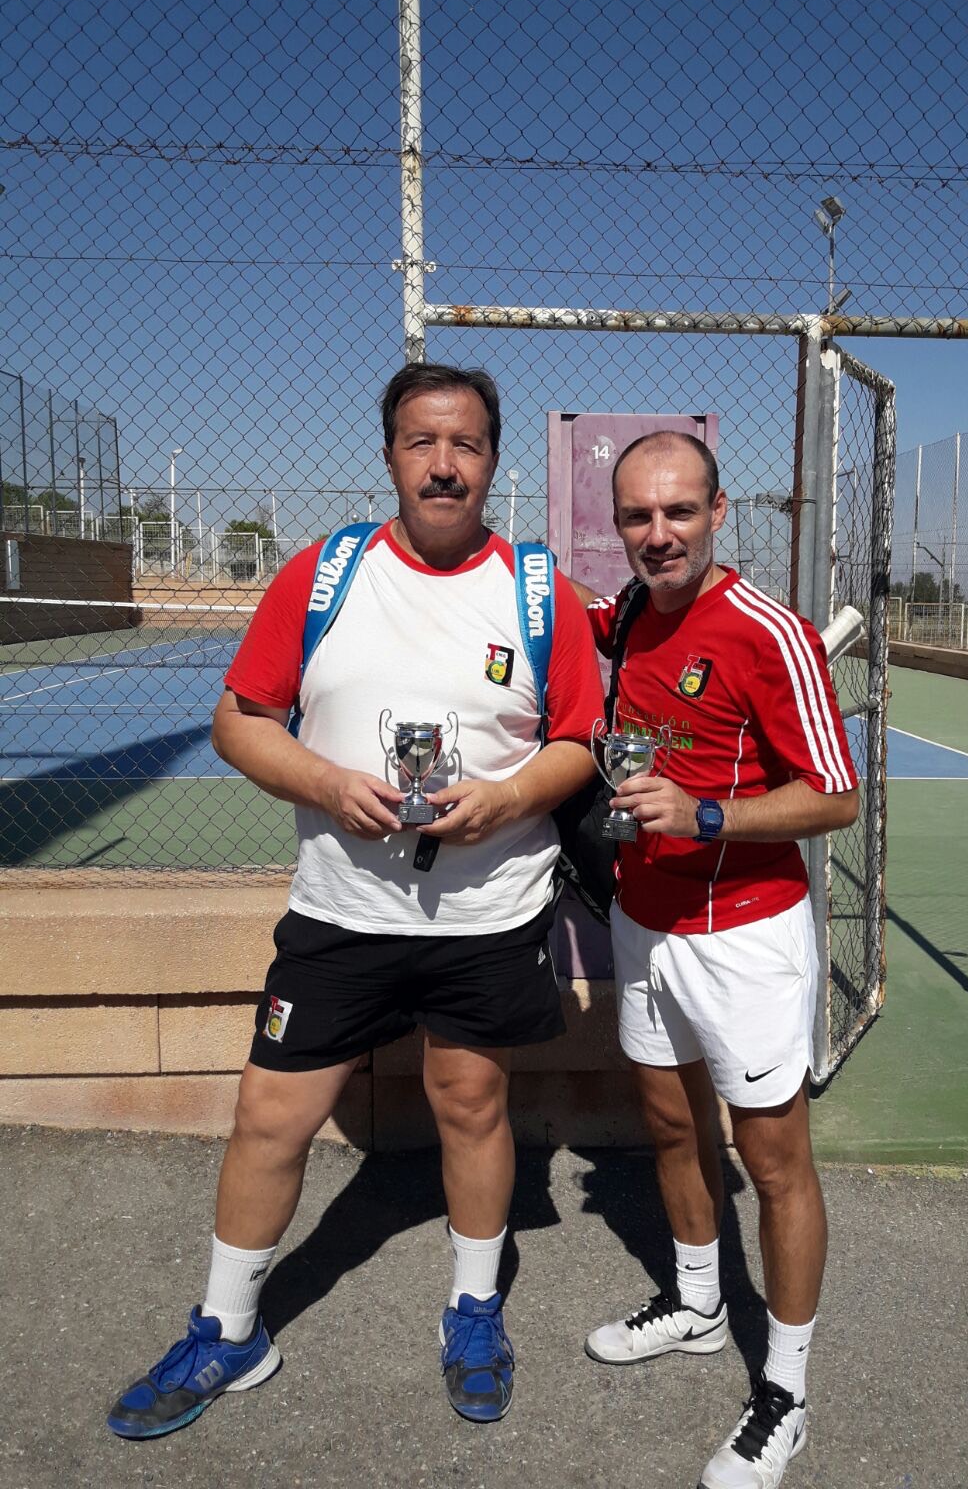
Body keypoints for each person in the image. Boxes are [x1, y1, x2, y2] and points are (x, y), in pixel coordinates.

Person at [107, 362, 603, 1439]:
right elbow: (240, 720)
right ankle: (229, 1329)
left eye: (465, 444)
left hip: (486, 916)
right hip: (341, 913)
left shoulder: (537, 591)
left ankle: (475, 1312)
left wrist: (509, 798)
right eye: (423, 441)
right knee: (270, 1115)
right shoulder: (323, 574)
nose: (444, 464)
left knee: (470, 1104)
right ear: (389, 456)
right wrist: (329, 785)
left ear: (493, 461)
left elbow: (577, 741)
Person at [573, 431, 859, 1489]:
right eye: (638, 516)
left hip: (745, 935)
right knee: (668, 1124)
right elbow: (563, 620)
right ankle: (698, 1304)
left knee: (773, 1162)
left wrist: (706, 812)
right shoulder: (628, 616)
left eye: (679, 512)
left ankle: (785, 1391)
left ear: (719, 511)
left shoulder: (768, 632)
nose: (660, 534)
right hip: (644, 922)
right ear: (619, 525)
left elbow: (835, 795)